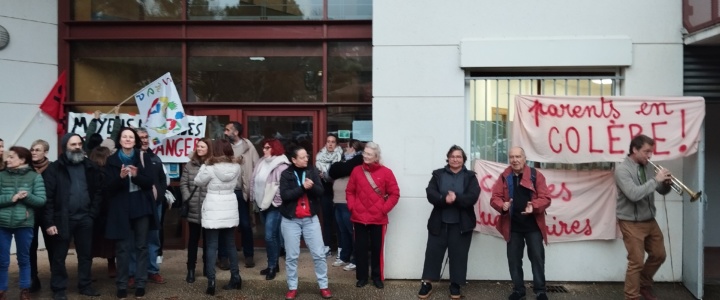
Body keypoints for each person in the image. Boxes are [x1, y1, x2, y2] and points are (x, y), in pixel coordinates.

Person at [42, 134, 103, 300]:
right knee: (59, 256)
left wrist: (92, 215)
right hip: (62, 219)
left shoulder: (90, 166)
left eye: (79, 144)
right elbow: (47, 198)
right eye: (73, 144)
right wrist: (49, 222)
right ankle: (59, 289)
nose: (77, 147)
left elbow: (98, 192)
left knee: (85, 255)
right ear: (64, 147)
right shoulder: (54, 169)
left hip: (85, 219)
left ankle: (85, 285)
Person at [418, 145, 480, 299]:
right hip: (439, 222)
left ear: (463, 159)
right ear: (448, 158)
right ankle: (427, 283)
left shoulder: (470, 176)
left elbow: (473, 196)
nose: (455, 159)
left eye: (458, 156)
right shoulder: (438, 174)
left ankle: (455, 285)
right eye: (452, 156)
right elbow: (430, 192)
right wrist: (443, 199)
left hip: (461, 224)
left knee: (458, 255)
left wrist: (456, 199)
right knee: (433, 253)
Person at [490, 147, 551, 300]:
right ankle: (518, 290)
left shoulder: (536, 175)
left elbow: (546, 198)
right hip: (513, 226)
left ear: (524, 158)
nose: (515, 160)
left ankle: (540, 290)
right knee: (514, 259)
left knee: (537, 258)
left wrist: (534, 206)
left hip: (533, 226)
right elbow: (495, 197)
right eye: (512, 157)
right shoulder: (505, 176)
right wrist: (502, 206)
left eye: (518, 156)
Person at [615, 134, 672, 300]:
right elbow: (633, 194)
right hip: (630, 222)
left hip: (649, 219)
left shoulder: (648, 167)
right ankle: (632, 296)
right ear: (634, 149)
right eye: (646, 151)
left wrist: (665, 184)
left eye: (651, 152)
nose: (650, 155)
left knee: (659, 255)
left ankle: (644, 285)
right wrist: (656, 180)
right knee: (636, 262)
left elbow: (660, 190)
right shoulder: (622, 170)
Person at [104, 127, 157, 299]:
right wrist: (120, 178)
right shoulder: (111, 160)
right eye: (124, 137)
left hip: (140, 205)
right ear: (119, 140)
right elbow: (107, 188)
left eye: (130, 137)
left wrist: (136, 176)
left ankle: (141, 283)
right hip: (120, 207)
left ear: (135, 141)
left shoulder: (143, 157)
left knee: (141, 246)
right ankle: (122, 285)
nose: (127, 139)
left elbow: (150, 182)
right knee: (123, 248)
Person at [279, 144, 332, 300]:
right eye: (302, 157)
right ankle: (292, 287)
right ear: (294, 160)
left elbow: (321, 192)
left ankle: (324, 286)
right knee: (292, 256)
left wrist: (312, 186)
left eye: (307, 156)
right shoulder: (286, 174)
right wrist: (303, 187)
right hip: (291, 220)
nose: (306, 159)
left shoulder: (312, 171)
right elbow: (285, 196)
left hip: (310, 219)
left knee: (319, 254)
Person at [345, 142, 400, 289]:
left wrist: (383, 209)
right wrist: (352, 207)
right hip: (359, 218)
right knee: (360, 249)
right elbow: (350, 191)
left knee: (377, 249)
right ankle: (362, 277)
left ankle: (377, 277)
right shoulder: (356, 171)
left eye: (369, 154)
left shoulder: (386, 173)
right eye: (364, 153)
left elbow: (395, 194)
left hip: (378, 219)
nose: (366, 156)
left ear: (376, 156)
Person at [194, 139, 243, 295]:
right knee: (230, 244)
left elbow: (198, 182)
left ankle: (211, 282)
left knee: (212, 246)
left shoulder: (209, 168)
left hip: (214, 206)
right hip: (229, 205)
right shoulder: (236, 167)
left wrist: (204, 165)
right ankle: (236, 277)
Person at [0, 146, 46, 300]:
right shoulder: (1, 176)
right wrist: (11, 198)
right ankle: (1, 290)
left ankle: (24, 289)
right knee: (2, 260)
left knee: (24, 259)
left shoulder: (34, 177)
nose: (8, 159)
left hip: (24, 223)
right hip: (2, 223)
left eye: (12, 157)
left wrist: (27, 196)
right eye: (8, 157)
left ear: (22, 159)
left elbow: (41, 201)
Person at [128, 128, 168, 285]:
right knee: (133, 239)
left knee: (153, 238)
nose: (144, 140)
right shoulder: (130, 158)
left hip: (154, 205)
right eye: (141, 138)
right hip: (135, 205)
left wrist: (160, 193)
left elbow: (163, 180)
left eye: (146, 137)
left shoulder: (155, 158)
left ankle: (152, 270)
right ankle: (132, 273)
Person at [249, 138, 289, 280]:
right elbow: (253, 181)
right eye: (263, 147)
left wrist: (276, 202)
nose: (263, 150)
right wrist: (253, 199)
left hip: (274, 206)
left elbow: (282, 186)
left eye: (267, 148)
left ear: (275, 148)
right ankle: (274, 264)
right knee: (273, 236)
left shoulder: (281, 165)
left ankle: (272, 266)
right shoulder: (261, 162)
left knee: (269, 235)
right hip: (261, 204)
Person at [222, 121, 259, 268]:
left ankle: (249, 256)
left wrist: (253, 189)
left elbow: (257, 167)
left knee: (245, 224)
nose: (225, 132)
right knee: (225, 225)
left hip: (241, 192)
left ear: (235, 132)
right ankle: (224, 257)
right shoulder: (224, 146)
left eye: (227, 129)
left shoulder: (248, 146)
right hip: (226, 192)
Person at [327, 139, 364, 271]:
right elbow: (333, 171)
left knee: (352, 231)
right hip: (338, 201)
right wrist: (340, 168)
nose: (345, 150)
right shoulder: (345, 162)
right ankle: (344, 257)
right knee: (342, 231)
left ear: (353, 148)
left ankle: (356, 258)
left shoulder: (359, 160)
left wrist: (340, 168)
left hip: (349, 202)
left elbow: (343, 168)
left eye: (347, 147)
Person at [179, 138, 210, 283]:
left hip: (209, 209)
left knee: (208, 241)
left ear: (209, 148)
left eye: (202, 146)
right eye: (198, 146)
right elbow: (183, 183)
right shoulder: (190, 165)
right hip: (193, 208)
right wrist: (188, 198)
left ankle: (207, 268)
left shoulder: (212, 165)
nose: (199, 148)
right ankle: (190, 269)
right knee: (193, 240)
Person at [88, 146, 116, 278]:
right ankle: (111, 265)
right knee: (109, 241)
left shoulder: (88, 171)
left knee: (91, 241)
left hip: (94, 210)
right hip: (107, 210)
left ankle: (88, 269)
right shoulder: (109, 172)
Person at [28, 139, 52, 293]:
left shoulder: (53, 168)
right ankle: (33, 279)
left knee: (52, 246)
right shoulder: (26, 169)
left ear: (45, 152)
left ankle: (56, 279)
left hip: (49, 212)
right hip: (30, 212)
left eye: (37, 150)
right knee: (31, 246)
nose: (34, 152)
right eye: (32, 150)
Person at [315, 134, 343, 256]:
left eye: (333, 142)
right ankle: (327, 247)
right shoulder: (319, 157)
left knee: (339, 221)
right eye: (328, 141)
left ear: (336, 144)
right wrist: (320, 176)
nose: (330, 144)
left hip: (339, 192)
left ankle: (341, 247)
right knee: (327, 220)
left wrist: (328, 175)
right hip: (326, 192)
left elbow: (341, 173)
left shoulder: (341, 157)